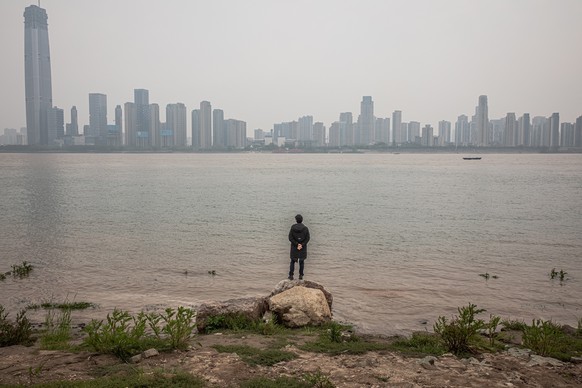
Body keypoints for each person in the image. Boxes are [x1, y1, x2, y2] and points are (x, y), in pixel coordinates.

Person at [288, 214, 310, 280]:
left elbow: (290, 238)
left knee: (292, 261)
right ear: (302, 220)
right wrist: (301, 245)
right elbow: (307, 238)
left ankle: (291, 275)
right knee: (301, 261)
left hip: (294, 247)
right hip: (302, 247)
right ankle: (301, 275)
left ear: (296, 220)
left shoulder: (292, 227)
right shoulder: (305, 228)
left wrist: (297, 244)